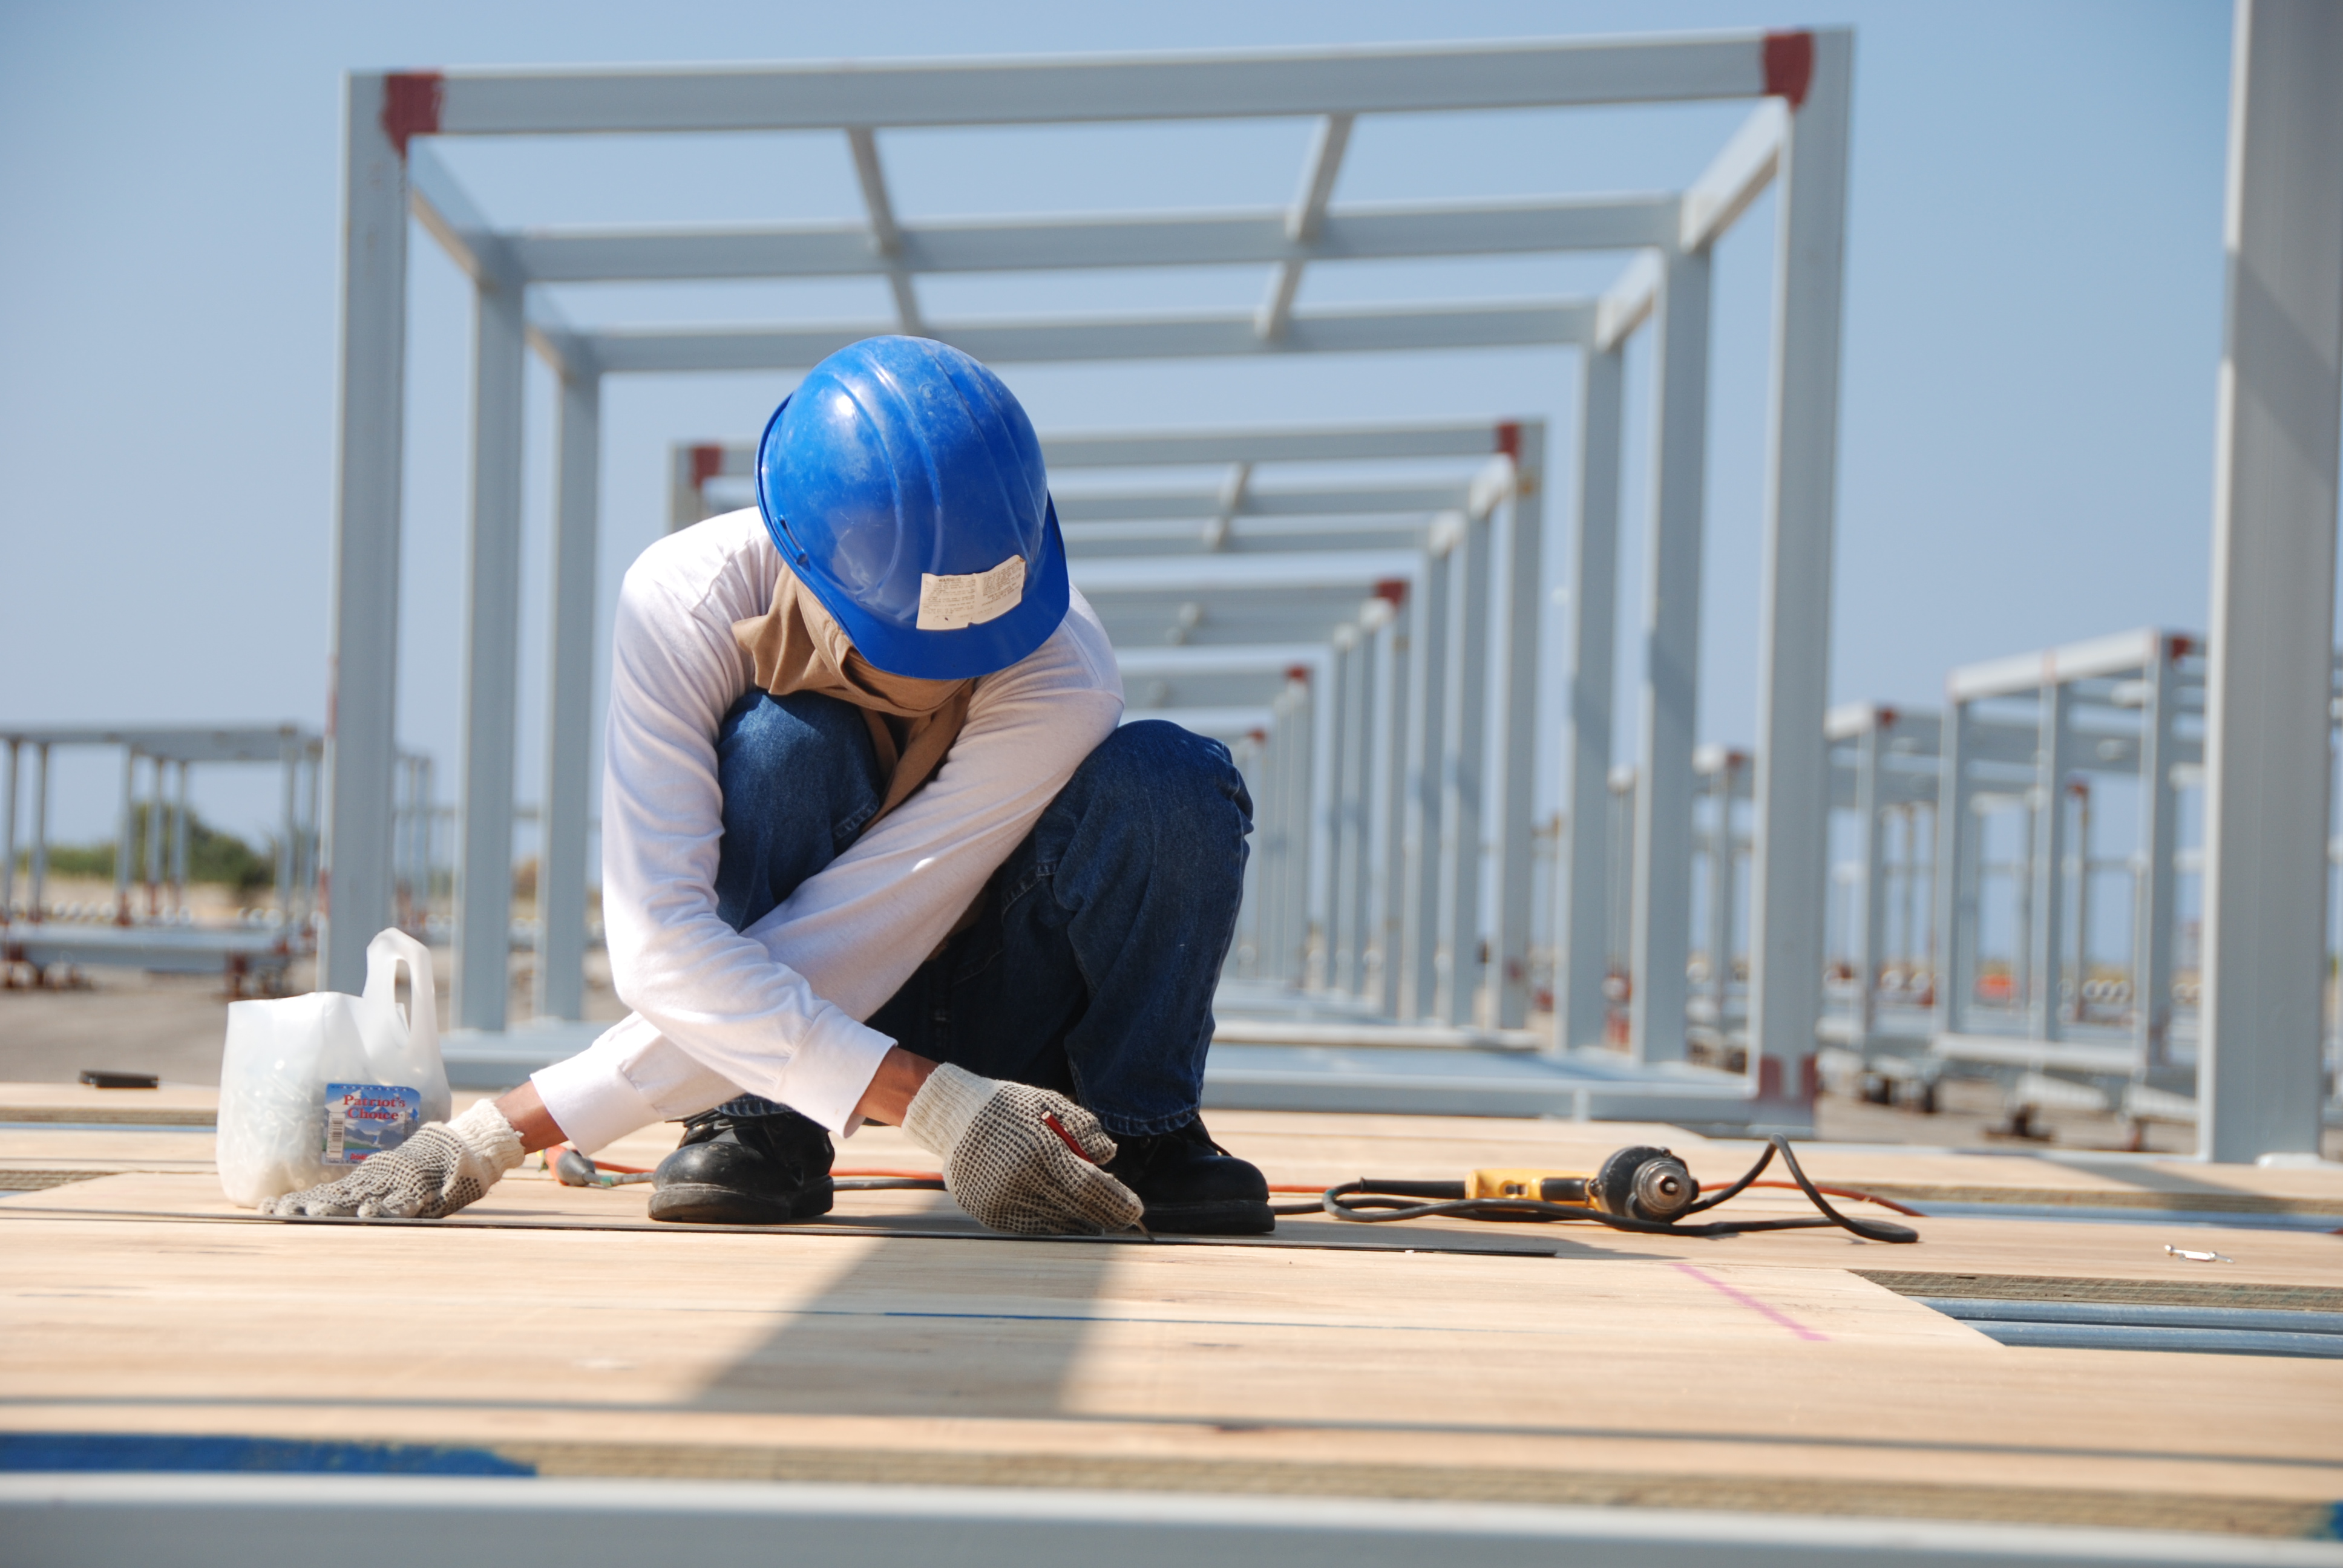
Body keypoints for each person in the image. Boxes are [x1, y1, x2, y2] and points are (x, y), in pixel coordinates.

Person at [267, 336, 1271, 1237]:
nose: (949, 671)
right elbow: (664, 949)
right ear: (801, 556)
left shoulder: (1061, 668)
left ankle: (1137, 1132)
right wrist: (490, 1136)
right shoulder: (684, 605)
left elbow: (874, 923)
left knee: (1171, 783)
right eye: (905, 650)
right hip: (783, 1029)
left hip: (1003, 1008)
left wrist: (512, 1125)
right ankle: (759, 1132)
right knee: (785, 741)